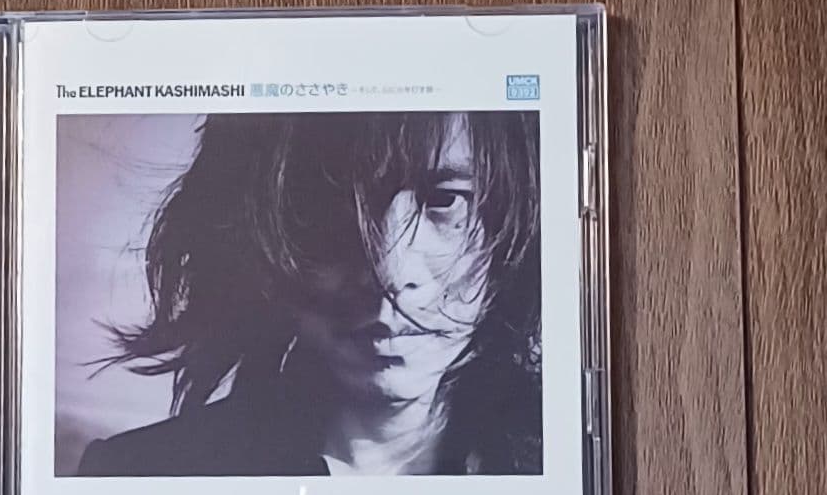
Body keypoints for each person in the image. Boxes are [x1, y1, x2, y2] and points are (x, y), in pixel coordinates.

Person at [78, 110, 542, 476]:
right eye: (334, 203)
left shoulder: (567, 467)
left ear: (512, 217)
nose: (390, 274)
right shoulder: (137, 475)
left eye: (444, 200)